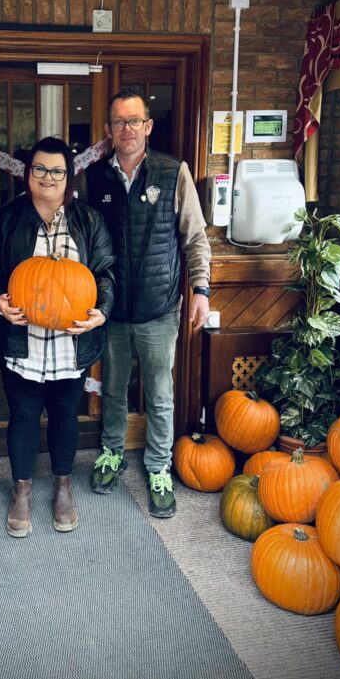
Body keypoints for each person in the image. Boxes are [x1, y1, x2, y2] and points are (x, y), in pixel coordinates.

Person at [0, 137, 115, 537]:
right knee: (22, 415)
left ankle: (63, 486)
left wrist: (101, 311)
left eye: (57, 170)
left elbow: (106, 272)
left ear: (68, 177)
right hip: (22, 338)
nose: (48, 177)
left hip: (72, 340)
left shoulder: (89, 221)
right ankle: (21, 490)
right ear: (28, 173)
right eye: (40, 169)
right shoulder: (7, 218)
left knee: (63, 414)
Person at [84, 90, 211, 518]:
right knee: (114, 390)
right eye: (119, 122)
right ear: (108, 130)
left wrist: (201, 290)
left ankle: (159, 467)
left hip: (159, 310)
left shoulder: (172, 172)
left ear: (148, 126)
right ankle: (112, 453)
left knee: (159, 395)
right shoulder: (96, 179)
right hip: (113, 311)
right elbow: (88, 246)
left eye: (134, 121)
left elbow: (195, 239)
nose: (127, 129)